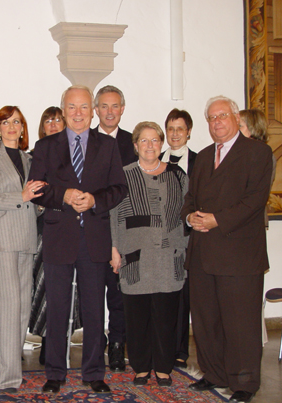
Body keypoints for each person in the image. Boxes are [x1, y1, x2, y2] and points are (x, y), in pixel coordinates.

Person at [29, 85, 127, 394]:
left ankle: (94, 372)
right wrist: (65, 196)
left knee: (95, 309)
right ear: (63, 109)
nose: (78, 113)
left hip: (95, 237)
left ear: (93, 110)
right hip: (60, 237)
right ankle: (55, 373)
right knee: (57, 308)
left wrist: (95, 200)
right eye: (72, 107)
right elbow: (36, 188)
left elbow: (118, 188)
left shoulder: (108, 146)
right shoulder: (46, 146)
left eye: (84, 107)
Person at [182, 96, 272, 403]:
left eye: (222, 116)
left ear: (235, 117)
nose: (216, 122)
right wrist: (190, 216)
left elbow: (255, 200)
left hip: (239, 255)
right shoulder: (205, 156)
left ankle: (244, 383)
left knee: (241, 324)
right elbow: (191, 197)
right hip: (203, 252)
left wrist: (217, 219)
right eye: (211, 118)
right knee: (206, 320)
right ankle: (214, 374)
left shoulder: (257, 153)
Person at [0, 105, 45, 392]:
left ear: (23, 128)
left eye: (17, 122)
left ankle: (11, 367)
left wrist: (38, 204)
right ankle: (7, 377)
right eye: (6, 122)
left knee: (22, 310)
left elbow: (32, 203)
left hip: (27, 239)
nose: (12, 126)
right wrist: (21, 195)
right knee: (7, 308)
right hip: (3, 239)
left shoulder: (29, 159)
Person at [110, 121, 188, 387]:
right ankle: (142, 367)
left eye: (155, 140)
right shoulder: (122, 175)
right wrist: (114, 250)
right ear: (135, 146)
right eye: (144, 141)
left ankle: (164, 368)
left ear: (161, 144)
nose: (150, 145)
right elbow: (113, 216)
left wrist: (187, 250)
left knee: (166, 316)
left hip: (170, 257)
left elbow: (187, 215)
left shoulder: (178, 175)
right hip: (135, 257)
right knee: (137, 316)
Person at [29, 106, 81, 365]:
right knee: (42, 290)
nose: (53, 124)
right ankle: (44, 341)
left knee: (64, 294)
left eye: (58, 120)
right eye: (47, 120)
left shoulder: (76, 156)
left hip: (69, 232)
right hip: (40, 235)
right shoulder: (35, 154)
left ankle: (57, 343)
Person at [93, 85, 135, 372]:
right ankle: (95, 347)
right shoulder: (84, 140)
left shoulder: (133, 143)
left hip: (124, 228)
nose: (110, 111)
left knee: (119, 293)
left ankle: (118, 345)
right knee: (93, 293)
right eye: (104, 106)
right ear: (96, 110)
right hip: (94, 229)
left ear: (122, 109)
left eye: (115, 106)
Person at [159, 108, 197, 369]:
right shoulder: (154, 159)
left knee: (183, 297)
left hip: (186, 238)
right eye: (170, 129)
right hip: (159, 239)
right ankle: (159, 346)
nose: (174, 134)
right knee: (162, 295)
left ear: (189, 132)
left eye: (179, 129)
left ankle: (180, 351)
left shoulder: (200, 162)